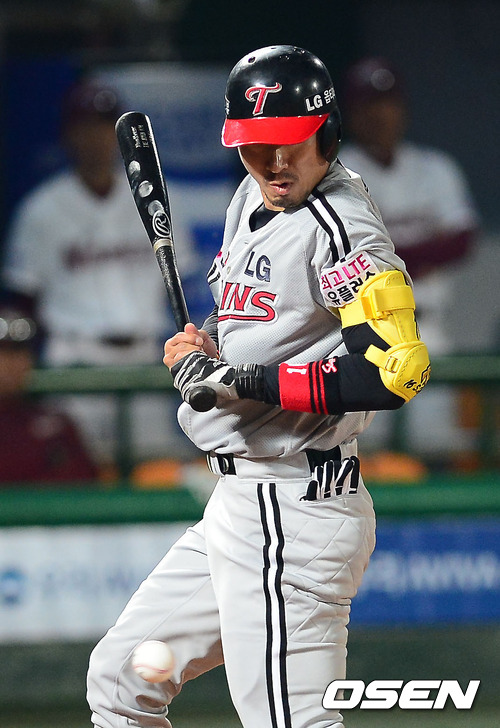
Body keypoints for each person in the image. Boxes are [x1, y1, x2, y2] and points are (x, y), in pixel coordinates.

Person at [87, 46, 430, 728]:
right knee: (122, 679)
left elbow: (392, 372)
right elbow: (253, 318)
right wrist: (206, 346)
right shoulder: (253, 193)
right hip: (240, 503)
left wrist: (241, 380)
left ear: (326, 133)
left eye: (289, 144)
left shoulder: (342, 228)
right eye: (255, 146)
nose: (273, 163)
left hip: (293, 508)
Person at [2, 78, 195, 464]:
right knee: (79, 471)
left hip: (145, 358)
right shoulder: (40, 210)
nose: (97, 137)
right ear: (68, 135)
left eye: (106, 125)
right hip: (74, 365)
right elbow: (22, 301)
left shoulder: (157, 197)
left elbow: (182, 285)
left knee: (153, 468)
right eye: (86, 125)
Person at [339, 57, 479, 459]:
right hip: (363, 336)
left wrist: (390, 256)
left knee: (437, 448)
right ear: (352, 113)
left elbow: (462, 239)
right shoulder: (337, 171)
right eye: (368, 104)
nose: (380, 114)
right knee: (366, 453)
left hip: (428, 328)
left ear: (402, 108)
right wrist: (415, 254)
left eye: (387, 102)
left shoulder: (435, 168)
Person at [0, 307, 98, 484]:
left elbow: (85, 488)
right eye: (2, 352)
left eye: (17, 351)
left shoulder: (55, 425)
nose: (9, 363)